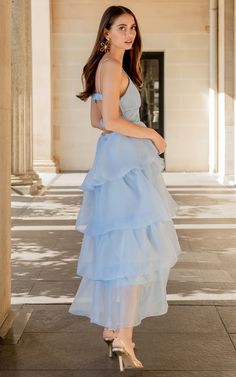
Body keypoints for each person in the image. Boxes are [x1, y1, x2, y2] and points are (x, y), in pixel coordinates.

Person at [69, 5, 182, 371]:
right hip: (126, 166)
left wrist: (129, 132)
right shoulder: (112, 67)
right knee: (134, 248)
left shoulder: (104, 67)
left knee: (120, 243)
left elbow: (98, 122)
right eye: (121, 28)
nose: (129, 33)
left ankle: (111, 328)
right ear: (106, 33)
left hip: (116, 160)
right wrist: (150, 132)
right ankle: (124, 337)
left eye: (132, 27)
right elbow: (113, 120)